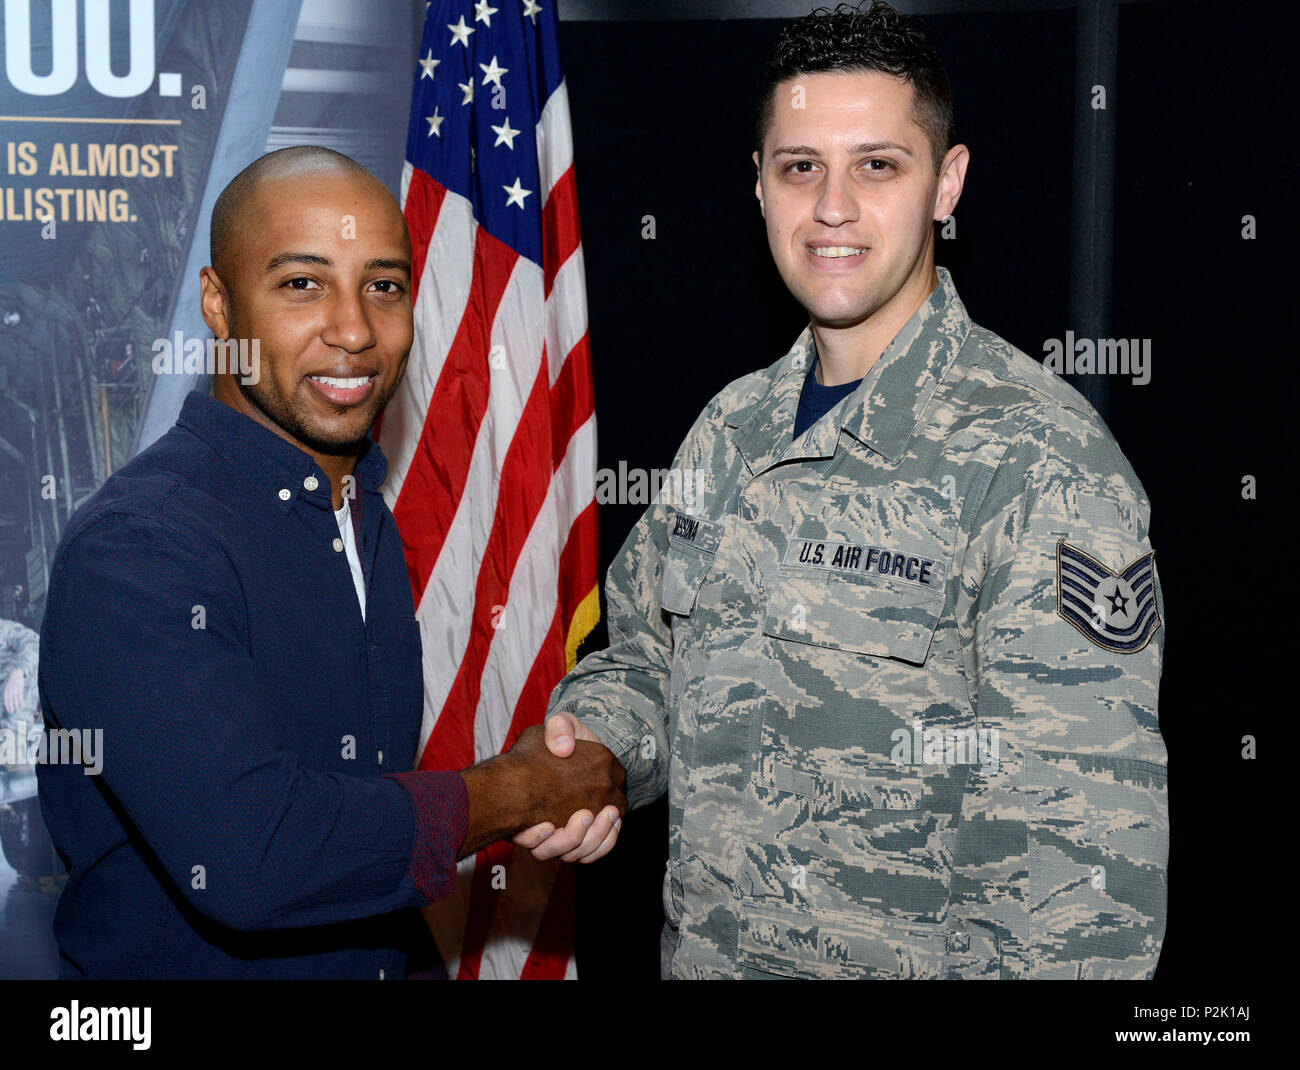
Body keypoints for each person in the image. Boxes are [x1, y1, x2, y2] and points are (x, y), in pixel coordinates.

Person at [540, 0, 1168, 979]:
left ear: (945, 184)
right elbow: (645, 657)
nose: (832, 205)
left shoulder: (1040, 465)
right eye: (800, 167)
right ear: (758, 187)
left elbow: (1080, 898)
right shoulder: (732, 427)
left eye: (877, 165)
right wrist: (596, 756)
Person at [35, 146, 625, 979]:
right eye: (301, 284)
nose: (353, 330)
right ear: (218, 304)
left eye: (383, 285)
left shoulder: (360, 516)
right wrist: (518, 790)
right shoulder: (138, 547)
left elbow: (359, 844)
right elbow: (254, 854)